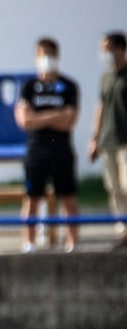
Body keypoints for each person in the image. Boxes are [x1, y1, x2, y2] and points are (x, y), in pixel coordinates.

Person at [15, 38, 80, 253]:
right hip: (36, 150)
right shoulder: (29, 87)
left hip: (61, 150)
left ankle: (72, 243)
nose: (46, 59)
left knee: (68, 197)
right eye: (42, 54)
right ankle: (29, 243)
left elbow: (70, 122)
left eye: (50, 54)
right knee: (32, 199)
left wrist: (39, 117)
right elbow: (25, 121)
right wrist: (56, 115)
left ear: (57, 56)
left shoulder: (68, 86)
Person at [88, 31, 127, 248]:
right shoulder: (106, 77)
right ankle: (123, 231)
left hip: (125, 141)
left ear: (120, 49)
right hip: (108, 141)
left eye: (108, 49)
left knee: (126, 185)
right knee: (114, 189)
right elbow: (100, 107)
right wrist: (95, 138)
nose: (104, 54)